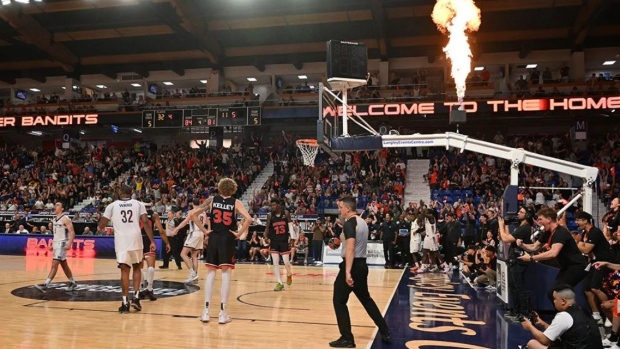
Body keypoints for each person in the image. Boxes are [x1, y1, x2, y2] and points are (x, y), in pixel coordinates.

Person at [175, 178, 251, 324]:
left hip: (214, 237)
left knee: (211, 273)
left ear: (220, 188)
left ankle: (206, 312)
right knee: (225, 273)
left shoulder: (211, 200)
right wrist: (239, 233)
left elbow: (192, 215)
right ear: (233, 189)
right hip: (227, 237)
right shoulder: (236, 202)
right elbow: (248, 219)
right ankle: (223, 313)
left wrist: (205, 231)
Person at [330, 196, 391, 348]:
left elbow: (351, 248)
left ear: (348, 208)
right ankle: (385, 331)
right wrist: (340, 242)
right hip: (362, 265)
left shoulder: (349, 224)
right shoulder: (362, 222)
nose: (339, 210)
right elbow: (351, 244)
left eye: (341, 207)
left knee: (339, 300)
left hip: (352, 265)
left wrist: (347, 272)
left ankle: (347, 338)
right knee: (366, 300)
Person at [98, 185, 156, 313]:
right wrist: (152, 241)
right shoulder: (138, 204)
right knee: (137, 268)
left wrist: (102, 219)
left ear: (119, 192)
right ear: (131, 193)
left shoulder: (112, 206)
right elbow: (146, 223)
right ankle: (135, 297)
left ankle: (125, 302)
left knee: (124, 272)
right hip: (136, 239)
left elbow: (101, 226)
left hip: (122, 242)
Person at [518, 207, 588, 300]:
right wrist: (522, 245)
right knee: (555, 293)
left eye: (540, 219)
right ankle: (567, 312)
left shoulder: (560, 232)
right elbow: (534, 247)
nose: (538, 222)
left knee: (555, 293)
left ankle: (570, 312)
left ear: (549, 219)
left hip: (577, 267)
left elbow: (553, 253)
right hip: (566, 267)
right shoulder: (548, 232)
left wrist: (531, 258)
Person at [520, 284, 602, 349]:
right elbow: (560, 332)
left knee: (532, 344)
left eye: (554, 299)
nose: (554, 302)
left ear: (563, 301)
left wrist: (529, 326)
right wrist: (543, 324)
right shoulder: (584, 310)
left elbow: (544, 340)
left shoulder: (564, 315)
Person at [575, 211, 614, 326]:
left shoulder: (595, 232)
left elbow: (586, 249)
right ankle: (596, 314)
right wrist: (581, 245)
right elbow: (585, 248)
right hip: (594, 262)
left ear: (585, 221)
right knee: (587, 288)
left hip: (605, 262)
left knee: (595, 288)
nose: (576, 222)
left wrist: (577, 243)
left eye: (578, 220)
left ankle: (609, 312)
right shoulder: (585, 233)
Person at [34, 202, 78, 293]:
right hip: (56, 243)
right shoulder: (54, 219)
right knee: (63, 264)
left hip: (62, 244)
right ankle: (73, 282)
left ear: (62, 209)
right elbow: (56, 234)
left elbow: (72, 232)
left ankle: (45, 285)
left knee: (54, 263)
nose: (55, 206)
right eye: (55, 205)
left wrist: (69, 243)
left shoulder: (66, 219)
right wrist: (52, 244)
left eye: (58, 205)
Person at [498, 208, 533, 321]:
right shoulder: (521, 228)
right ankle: (516, 311)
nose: (518, 213)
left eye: (521, 212)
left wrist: (501, 225)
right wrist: (506, 226)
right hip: (514, 260)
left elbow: (505, 239)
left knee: (519, 288)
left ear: (527, 215)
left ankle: (523, 314)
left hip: (519, 261)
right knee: (513, 287)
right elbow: (510, 238)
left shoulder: (525, 228)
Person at [138, 202, 171, 301]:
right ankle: (150, 288)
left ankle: (140, 289)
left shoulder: (137, 213)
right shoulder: (154, 215)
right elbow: (161, 231)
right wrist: (167, 243)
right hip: (149, 239)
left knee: (139, 267)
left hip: (138, 240)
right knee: (151, 266)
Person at [175, 199, 210, 284]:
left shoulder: (192, 211)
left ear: (192, 204)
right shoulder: (204, 212)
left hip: (194, 233)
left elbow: (184, 222)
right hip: (201, 234)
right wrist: (207, 233)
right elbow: (209, 222)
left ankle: (193, 273)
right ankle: (195, 277)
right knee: (194, 256)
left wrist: (176, 229)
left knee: (183, 254)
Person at [264, 198, 294, 291]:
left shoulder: (286, 213)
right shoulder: (270, 215)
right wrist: (265, 236)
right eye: (271, 205)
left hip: (284, 240)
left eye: (274, 205)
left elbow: (290, 226)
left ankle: (289, 274)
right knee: (275, 262)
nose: (272, 207)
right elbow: (267, 227)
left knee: (286, 262)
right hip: (274, 241)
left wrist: (292, 238)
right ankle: (279, 282)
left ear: (278, 205)